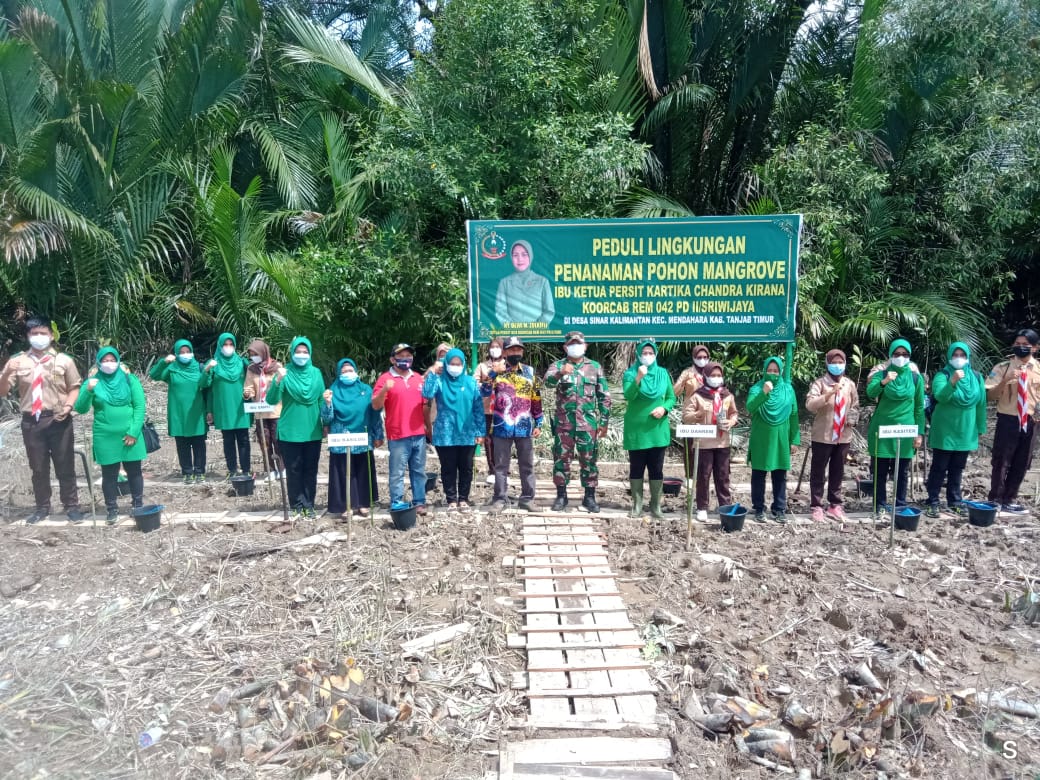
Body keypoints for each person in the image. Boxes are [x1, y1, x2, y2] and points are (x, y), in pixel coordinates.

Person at [0, 317, 85, 524]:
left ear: (51, 336)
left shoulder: (64, 360)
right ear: (28, 337)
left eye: (43, 333)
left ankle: (71, 506)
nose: (39, 337)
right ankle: (42, 508)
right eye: (34, 334)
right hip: (32, 422)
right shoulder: (18, 362)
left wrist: (68, 406)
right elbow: (3, 391)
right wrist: (7, 371)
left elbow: (75, 387)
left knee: (65, 465)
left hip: (58, 419)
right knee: (38, 467)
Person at [74, 348, 146, 525]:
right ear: (99, 362)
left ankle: (137, 505)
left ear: (118, 360)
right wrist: (88, 390)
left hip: (130, 435)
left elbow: (139, 407)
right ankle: (111, 509)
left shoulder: (130, 379)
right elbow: (81, 408)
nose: (109, 363)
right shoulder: (93, 381)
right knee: (109, 475)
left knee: (134, 471)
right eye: (104, 360)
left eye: (112, 359)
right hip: (105, 436)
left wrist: (133, 432)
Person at [543, 331, 611, 513]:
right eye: (571, 344)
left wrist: (604, 421)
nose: (575, 346)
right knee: (561, 459)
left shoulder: (594, 367)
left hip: (587, 424)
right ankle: (561, 496)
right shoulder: (557, 365)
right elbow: (547, 383)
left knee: (589, 460)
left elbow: (604, 396)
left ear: (585, 346)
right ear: (565, 347)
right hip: (563, 424)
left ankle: (589, 497)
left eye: (578, 343)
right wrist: (559, 373)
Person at [482, 336, 543, 511]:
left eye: (518, 350)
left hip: (525, 427)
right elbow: (483, 392)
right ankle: (500, 499)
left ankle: (527, 499)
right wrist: (493, 372)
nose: (515, 353)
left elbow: (536, 398)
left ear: (522, 352)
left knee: (527, 465)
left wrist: (538, 422)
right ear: (505, 352)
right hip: (502, 427)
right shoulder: (497, 372)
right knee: (501, 466)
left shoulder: (529, 372)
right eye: (512, 350)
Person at [265, 337, 324, 519]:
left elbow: (321, 400)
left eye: (305, 352)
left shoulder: (316, 373)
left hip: (312, 430)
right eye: (298, 352)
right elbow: (271, 400)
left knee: (310, 470)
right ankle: (297, 505)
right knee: (294, 469)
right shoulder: (284, 372)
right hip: (290, 431)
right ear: (292, 353)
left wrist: (327, 423)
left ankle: (309, 505)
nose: (301, 355)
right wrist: (277, 381)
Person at [925, 342, 986, 517]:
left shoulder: (976, 377)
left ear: (968, 357)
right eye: (955, 355)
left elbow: (981, 404)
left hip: (966, 430)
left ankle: (955, 501)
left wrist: (980, 427)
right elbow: (940, 396)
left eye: (962, 355)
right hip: (945, 430)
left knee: (957, 468)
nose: (959, 358)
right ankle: (933, 501)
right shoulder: (942, 375)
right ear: (950, 357)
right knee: (939, 467)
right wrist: (952, 382)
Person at [866, 339, 925, 517]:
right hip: (882, 428)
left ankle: (899, 505)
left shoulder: (915, 377)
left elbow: (919, 407)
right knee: (880, 471)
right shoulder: (881, 373)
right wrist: (883, 382)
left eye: (904, 354)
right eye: (897, 354)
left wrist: (919, 433)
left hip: (906, 430)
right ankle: (879, 505)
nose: (901, 357)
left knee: (902, 471)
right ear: (891, 355)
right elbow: (870, 393)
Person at [985, 329, 1040, 513]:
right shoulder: (1003, 367)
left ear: (1035, 347)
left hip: (1031, 420)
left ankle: (1010, 499)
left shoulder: (1039, 369)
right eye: (1018, 343)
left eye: (1026, 344)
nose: (1021, 347)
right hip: (1008, 419)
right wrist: (1005, 381)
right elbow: (990, 395)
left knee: (1023, 461)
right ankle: (996, 499)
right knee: (1001, 460)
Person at [422, 348, 485, 509]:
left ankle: (463, 498)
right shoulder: (439, 381)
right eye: (451, 363)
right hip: (445, 433)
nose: (455, 367)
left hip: (467, 431)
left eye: (458, 364)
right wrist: (433, 372)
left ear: (463, 364)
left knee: (466, 467)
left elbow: (478, 408)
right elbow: (427, 394)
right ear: (446, 364)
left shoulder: (471, 382)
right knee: (448, 468)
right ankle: (451, 499)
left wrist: (480, 431)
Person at [321, 359, 384, 517]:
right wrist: (328, 403)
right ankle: (345, 506)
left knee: (363, 470)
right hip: (341, 438)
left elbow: (374, 414)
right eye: (344, 372)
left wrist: (378, 435)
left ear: (356, 372)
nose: (347, 374)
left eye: (350, 371)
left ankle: (363, 504)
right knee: (343, 472)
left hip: (363, 436)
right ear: (338, 374)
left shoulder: (366, 390)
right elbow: (327, 419)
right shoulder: (332, 391)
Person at [622, 340, 676, 520]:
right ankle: (637, 505)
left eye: (650, 353)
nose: (647, 356)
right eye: (644, 353)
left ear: (655, 354)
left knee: (656, 469)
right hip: (637, 430)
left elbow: (671, 397)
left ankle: (655, 506)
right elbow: (629, 395)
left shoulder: (662, 373)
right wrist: (638, 377)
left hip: (657, 429)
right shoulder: (630, 373)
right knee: (636, 468)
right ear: (638, 355)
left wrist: (664, 409)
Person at [373, 343, 428, 514]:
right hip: (398, 434)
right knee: (397, 472)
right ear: (392, 359)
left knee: (418, 471)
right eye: (401, 356)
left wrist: (428, 428)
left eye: (408, 356)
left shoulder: (418, 378)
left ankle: (419, 501)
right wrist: (385, 390)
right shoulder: (385, 379)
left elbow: (425, 404)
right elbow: (375, 405)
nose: (405, 359)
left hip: (418, 433)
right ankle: (397, 501)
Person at [805, 349, 860, 522]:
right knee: (818, 471)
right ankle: (816, 505)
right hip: (823, 435)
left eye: (840, 362)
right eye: (833, 362)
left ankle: (835, 505)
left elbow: (856, 405)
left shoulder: (849, 384)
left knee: (838, 471)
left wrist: (852, 418)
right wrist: (828, 394)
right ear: (827, 364)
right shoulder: (820, 383)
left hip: (843, 436)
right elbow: (810, 405)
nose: (837, 365)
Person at [680, 361, 739, 521]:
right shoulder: (698, 395)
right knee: (703, 476)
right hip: (704, 443)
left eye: (719, 375)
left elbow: (734, 413)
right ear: (705, 376)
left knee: (723, 476)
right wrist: (698, 414)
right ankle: (702, 507)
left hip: (722, 442)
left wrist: (732, 421)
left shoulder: (727, 395)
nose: (716, 378)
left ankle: (724, 506)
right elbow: (686, 415)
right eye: (712, 375)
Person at [747, 357, 800, 524]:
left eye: (775, 371)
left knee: (780, 474)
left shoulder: (788, 390)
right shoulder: (757, 388)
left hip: (781, 438)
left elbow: (794, 415)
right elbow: (750, 407)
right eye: (769, 371)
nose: (772, 374)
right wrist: (764, 392)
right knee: (759, 474)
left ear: (781, 372)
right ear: (764, 371)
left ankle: (779, 509)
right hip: (761, 438)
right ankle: (759, 508)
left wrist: (795, 440)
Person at [149, 339, 207, 484]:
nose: (185, 355)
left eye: (188, 352)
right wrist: (164, 362)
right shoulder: (172, 369)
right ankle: (187, 472)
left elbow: (206, 384)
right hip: (178, 414)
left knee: (199, 444)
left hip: (196, 412)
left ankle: (199, 472)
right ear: (176, 353)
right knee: (182, 444)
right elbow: (154, 375)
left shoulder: (199, 368)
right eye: (181, 352)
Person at [203, 333, 251, 478]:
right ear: (220, 346)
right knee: (228, 440)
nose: (228, 347)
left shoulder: (242, 363)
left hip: (241, 408)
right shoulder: (214, 364)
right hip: (223, 409)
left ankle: (246, 470)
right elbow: (205, 387)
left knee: (243, 439)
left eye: (231, 344)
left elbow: (255, 378)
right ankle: (232, 470)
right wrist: (206, 370)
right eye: (225, 344)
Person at [245, 339, 282, 482]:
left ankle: (282, 469)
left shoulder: (277, 367)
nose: (254, 356)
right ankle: (271, 470)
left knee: (278, 441)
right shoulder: (251, 369)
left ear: (263, 352)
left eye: (256, 353)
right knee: (264, 443)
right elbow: (248, 387)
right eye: (252, 354)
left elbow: (282, 386)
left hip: (276, 411)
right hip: (260, 412)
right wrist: (247, 393)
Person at [494, 240, 555, 325]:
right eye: (515, 255)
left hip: (538, 334)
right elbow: (500, 311)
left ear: (531, 256)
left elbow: (549, 311)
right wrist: (514, 329)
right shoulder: (504, 283)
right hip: (512, 335)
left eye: (524, 254)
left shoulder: (542, 281)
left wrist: (536, 328)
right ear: (511, 258)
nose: (520, 259)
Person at [474, 337, 504, 483]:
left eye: (498, 346)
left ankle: (504, 470)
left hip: (504, 409)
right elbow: (475, 384)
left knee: (503, 439)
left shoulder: (508, 365)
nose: (495, 349)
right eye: (492, 347)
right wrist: (486, 382)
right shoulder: (482, 366)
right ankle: (492, 470)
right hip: (486, 408)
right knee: (488, 440)